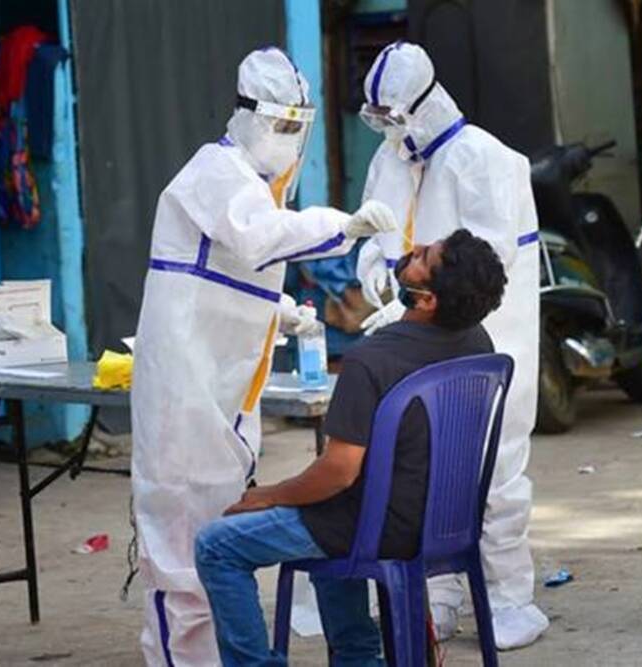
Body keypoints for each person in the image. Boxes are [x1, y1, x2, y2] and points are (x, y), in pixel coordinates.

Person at [131, 47, 398, 667]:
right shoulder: (215, 172)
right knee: (180, 549)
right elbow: (256, 238)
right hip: (184, 394)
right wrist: (344, 225)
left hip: (221, 393)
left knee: (212, 533)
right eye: (279, 125)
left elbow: (212, 277)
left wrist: (277, 310)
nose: (287, 140)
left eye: (296, 128)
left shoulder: (251, 185)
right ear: (247, 115)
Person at [194, 229, 507, 666]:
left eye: (423, 258)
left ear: (427, 299)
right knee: (324, 514)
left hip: (377, 527)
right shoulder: (477, 341)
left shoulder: (370, 359)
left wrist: (270, 494)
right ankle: (358, 659)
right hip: (445, 520)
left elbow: (338, 472)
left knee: (217, 546)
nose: (413, 250)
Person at [354, 42, 547, 649]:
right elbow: (374, 231)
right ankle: (438, 593)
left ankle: (509, 596)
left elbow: (488, 264)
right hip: (416, 330)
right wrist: (377, 274)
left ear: (425, 102)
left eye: (395, 117)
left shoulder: (485, 159)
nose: (389, 131)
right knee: (425, 461)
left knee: (494, 462)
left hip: (490, 331)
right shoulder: (390, 159)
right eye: (378, 119)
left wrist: (414, 297)